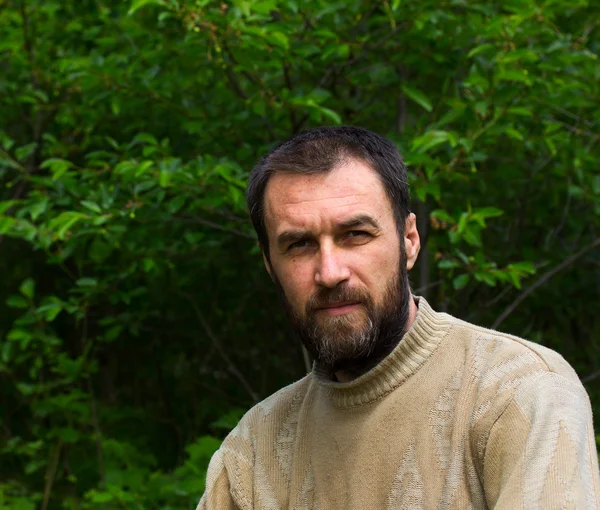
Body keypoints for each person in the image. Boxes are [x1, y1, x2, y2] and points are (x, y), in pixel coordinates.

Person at [197, 126, 600, 509]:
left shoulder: (518, 392)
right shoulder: (255, 448)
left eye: (355, 234)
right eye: (299, 244)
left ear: (408, 241)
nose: (330, 271)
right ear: (270, 264)